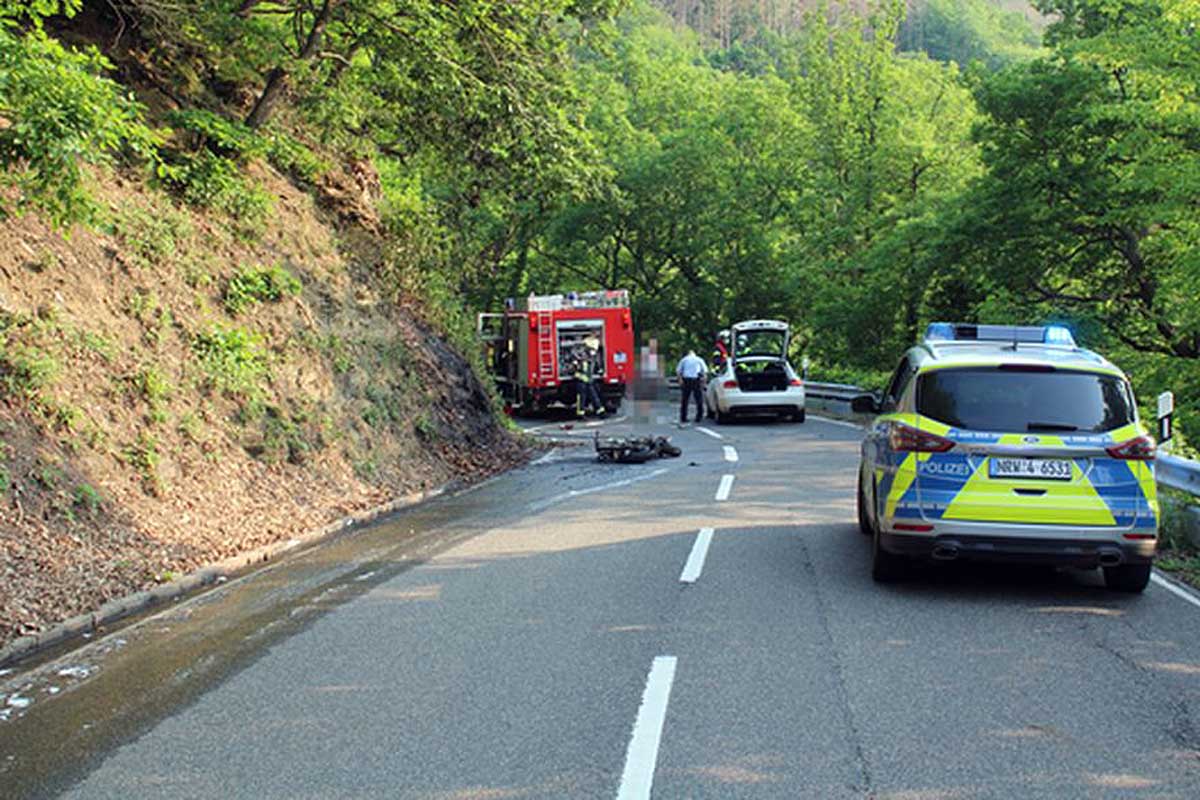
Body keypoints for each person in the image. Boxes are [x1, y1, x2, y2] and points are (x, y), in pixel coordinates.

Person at [676, 349, 707, 423]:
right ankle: (699, 417)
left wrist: (680, 380)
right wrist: (704, 382)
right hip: (696, 380)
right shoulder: (699, 359)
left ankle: (683, 417)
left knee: (685, 400)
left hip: (686, 380)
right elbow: (705, 372)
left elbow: (678, 371)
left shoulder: (684, 360)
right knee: (699, 399)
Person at [574, 345, 604, 417]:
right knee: (582, 398)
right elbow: (575, 372)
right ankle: (581, 413)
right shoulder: (579, 363)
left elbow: (597, 369)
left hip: (589, 382)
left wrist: (600, 371)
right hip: (582, 383)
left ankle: (600, 411)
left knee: (594, 396)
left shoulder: (591, 362)